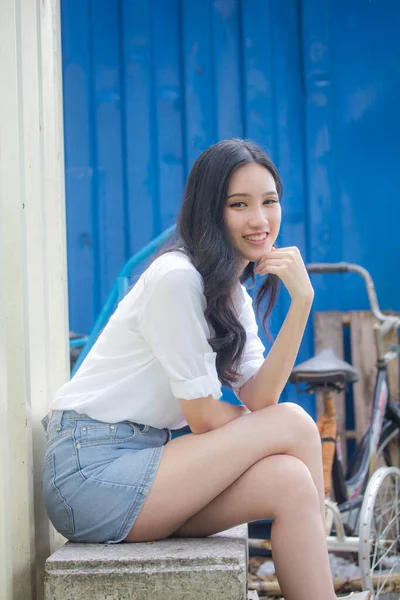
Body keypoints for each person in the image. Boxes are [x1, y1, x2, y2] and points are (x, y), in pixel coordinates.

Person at [42, 139, 370, 600]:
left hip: (143, 465)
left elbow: (259, 396)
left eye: (269, 202)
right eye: (240, 205)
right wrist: (265, 431)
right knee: (293, 423)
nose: (260, 220)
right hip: (91, 471)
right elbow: (203, 418)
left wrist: (303, 303)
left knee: (292, 482)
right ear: (210, 210)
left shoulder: (229, 292)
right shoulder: (176, 278)